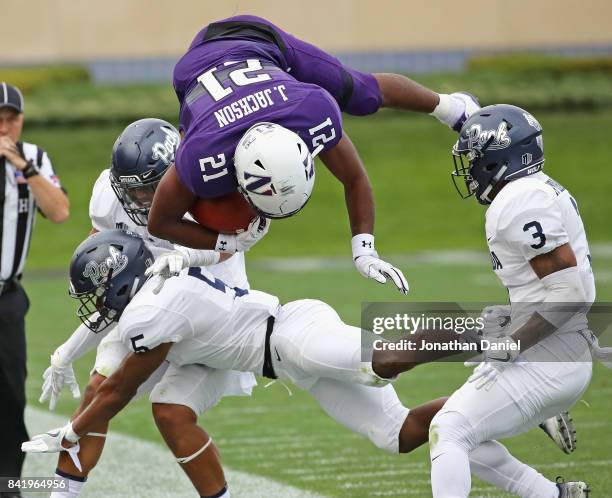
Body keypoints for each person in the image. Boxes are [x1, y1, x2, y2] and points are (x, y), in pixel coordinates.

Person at [24, 229, 585, 498]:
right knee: (402, 435)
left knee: (381, 361)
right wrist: (68, 359)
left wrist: (73, 427)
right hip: (284, 363)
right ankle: (550, 492)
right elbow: (130, 379)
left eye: (97, 295)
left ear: (119, 281)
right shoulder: (153, 294)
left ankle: (501, 332)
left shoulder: (153, 307)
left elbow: (122, 387)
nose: (96, 309)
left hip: (293, 335)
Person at [147, 15, 480, 294]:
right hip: (221, 50)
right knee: (203, 180)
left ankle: (453, 108)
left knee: (361, 94)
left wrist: (364, 250)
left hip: (262, 55)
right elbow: (160, 221)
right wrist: (226, 243)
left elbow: (354, 177)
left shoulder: (309, 112)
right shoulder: (204, 156)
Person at [37, 118, 258, 498]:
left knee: (171, 414)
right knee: (97, 390)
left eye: (152, 189)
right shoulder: (109, 193)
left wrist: (187, 257)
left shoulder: (209, 202)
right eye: (134, 191)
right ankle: (62, 494)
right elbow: (112, 276)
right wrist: (66, 353)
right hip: (148, 306)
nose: (142, 200)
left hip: (212, 316)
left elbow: (231, 245)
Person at [427, 104, 596, 497]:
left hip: (552, 355)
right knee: (462, 429)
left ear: (499, 157)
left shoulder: (520, 201)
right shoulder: (533, 190)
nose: (471, 168)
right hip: (558, 347)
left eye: (476, 158)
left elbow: (569, 293)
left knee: (449, 429)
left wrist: (512, 342)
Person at [0, 82, 69, 494]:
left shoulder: (34, 159)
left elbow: (59, 210)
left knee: (9, 397)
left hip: (7, 296)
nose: (6, 126)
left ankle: (7, 482)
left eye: (13, 118)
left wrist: (23, 167)